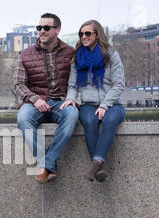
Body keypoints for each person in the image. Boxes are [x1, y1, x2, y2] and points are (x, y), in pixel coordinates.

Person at [15, 13, 78, 184]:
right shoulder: (25, 54)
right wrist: (35, 99)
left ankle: (46, 165)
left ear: (57, 30)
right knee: (23, 118)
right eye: (39, 28)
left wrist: (71, 99)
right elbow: (18, 84)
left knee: (72, 115)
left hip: (61, 102)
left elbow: (77, 81)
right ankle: (47, 164)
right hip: (34, 102)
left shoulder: (71, 53)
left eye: (46, 28)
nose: (41, 31)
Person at [63, 20, 125, 182]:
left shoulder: (111, 55)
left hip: (113, 104)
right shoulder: (77, 58)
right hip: (88, 104)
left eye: (88, 33)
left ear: (97, 34)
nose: (84, 36)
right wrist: (70, 99)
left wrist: (105, 105)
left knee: (109, 119)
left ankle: (96, 163)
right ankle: (100, 168)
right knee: (89, 121)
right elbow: (73, 86)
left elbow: (119, 85)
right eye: (81, 34)